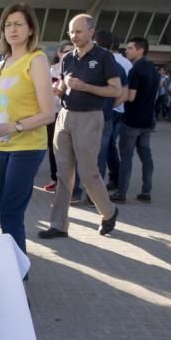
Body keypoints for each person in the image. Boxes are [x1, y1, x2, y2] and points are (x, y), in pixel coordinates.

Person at [38, 14, 122, 239]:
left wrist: (85, 86)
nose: (74, 36)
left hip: (89, 117)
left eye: (79, 31)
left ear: (91, 32)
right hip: (64, 115)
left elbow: (116, 90)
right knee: (62, 173)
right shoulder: (67, 58)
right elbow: (65, 85)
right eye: (71, 32)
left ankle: (109, 211)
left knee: (88, 173)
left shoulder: (104, 57)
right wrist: (59, 90)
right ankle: (58, 225)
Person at [0, 2, 55, 254]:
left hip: (27, 146)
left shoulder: (36, 60)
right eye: (8, 24)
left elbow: (48, 113)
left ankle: (18, 273)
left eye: (18, 24)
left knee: (11, 211)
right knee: (4, 209)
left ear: (31, 29)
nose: (12, 29)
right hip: (2, 146)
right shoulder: (1, 63)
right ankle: (13, 263)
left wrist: (12, 126)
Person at [112, 37, 157, 203]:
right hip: (148, 119)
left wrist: (114, 104)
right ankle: (146, 191)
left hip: (132, 120)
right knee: (146, 156)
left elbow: (130, 96)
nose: (127, 51)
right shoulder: (153, 69)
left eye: (131, 48)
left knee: (126, 157)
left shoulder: (136, 69)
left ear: (141, 50)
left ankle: (121, 192)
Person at [94, 30, 129, 189]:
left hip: (90, 116)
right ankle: (96, 193)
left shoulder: (93, 62)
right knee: (103, 154)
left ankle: (79, 191)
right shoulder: (119, 66)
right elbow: (124, 94)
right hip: (109, 115)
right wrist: (110, 106)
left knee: (84, 155)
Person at [43, 41, 73, 192]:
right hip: (54, 112)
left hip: (71, 113)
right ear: (59, 53)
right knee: (53, 147)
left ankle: (70, 183)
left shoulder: (76, 69)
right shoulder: (51, 70)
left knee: (70, 149)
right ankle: (55, 178)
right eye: (66, 51)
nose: (69, 53)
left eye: (72, 51)